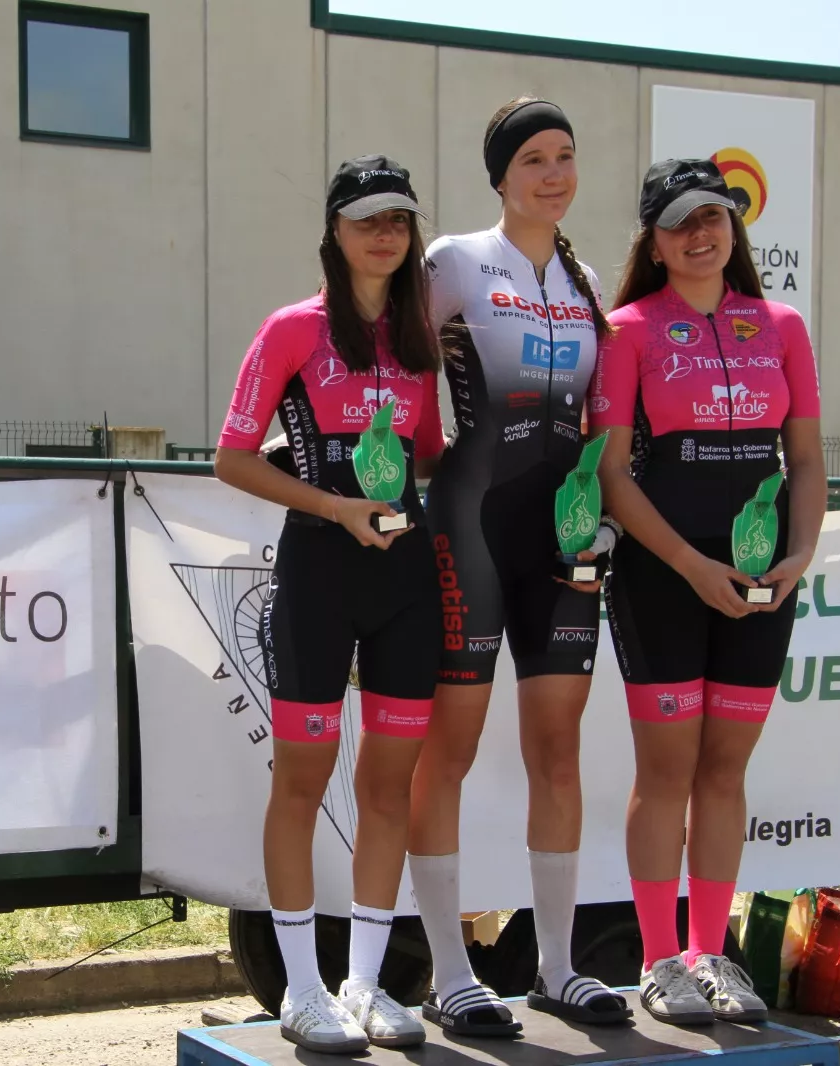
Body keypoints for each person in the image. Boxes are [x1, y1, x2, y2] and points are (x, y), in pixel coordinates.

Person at [407, 96, 631, 1036]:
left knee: (558, 755)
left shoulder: (586, 290)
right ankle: (448, 971)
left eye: (566, 156)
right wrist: (401, 479)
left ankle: (553, 966)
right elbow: (396, 373)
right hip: (472, 525)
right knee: (448, 752)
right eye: (534, 158)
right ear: (500, 175)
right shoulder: (456, 261)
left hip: (563, 539)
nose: (553, 173)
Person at [213, 155, 443, 1054]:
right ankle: (301, 988)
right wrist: (335, 507)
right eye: (367, 218)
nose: (385, 232)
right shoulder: (292, 329)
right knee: (302, 783)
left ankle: (365, 983)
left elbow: (425, 457)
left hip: (405, 581)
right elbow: (233, 458)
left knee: (390, 788)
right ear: (335, 231)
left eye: (399, 219)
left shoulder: (423, 335)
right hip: (318, 569)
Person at [588, 158, 825, 1025]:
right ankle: (658, 958)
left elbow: (803, 459)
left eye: (713, 217)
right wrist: (689, 564)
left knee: (724, 772)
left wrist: (797, 556)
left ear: (734, 226)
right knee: (667, 770)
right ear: (654, 239)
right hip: (663, 576)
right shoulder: (628, 330)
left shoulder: (782, 325)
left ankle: (710, 952)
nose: (700, 234)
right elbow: (612, 472)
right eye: (680, 222)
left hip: (765, 576)